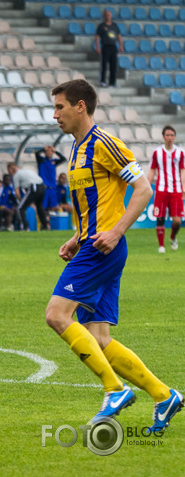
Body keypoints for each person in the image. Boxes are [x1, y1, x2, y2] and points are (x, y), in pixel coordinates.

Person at [45, 79, 182, 431]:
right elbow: (98, 203)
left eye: (60, 106)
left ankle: (114, 390)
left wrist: (117, 230)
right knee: (99, 337)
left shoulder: (104, 143)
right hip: (93, 243)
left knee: (57, 315)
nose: (54, 114)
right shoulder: (76, 149)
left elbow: (143, 188)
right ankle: (164, 395)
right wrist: (77, 236)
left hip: (103, 248)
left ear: (80, 106)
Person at [147, 125, 185, 253]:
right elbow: (152, 170)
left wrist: (184, 187)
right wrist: (148, 185)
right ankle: (161, 246)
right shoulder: (157, 152)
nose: (170, 138)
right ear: (163, 137)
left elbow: (182, 171)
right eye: (167, 135)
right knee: (160, 217)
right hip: (161, 190)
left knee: (177, 220)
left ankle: (173, 237)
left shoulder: (180, 152)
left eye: (172, 135)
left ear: (175, 137)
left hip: (176, 190)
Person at [8, 162, 48, 231]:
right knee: (39, 206)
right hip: (42, 187)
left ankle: (25, 226)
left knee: (20, 207)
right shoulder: (27, 170)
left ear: (12, 169)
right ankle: (44, 225)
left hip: (34, 187)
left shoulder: (16, 175)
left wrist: (20, 201)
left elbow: (17, 192)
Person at [35, 145, 67, 214]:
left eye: (50, 151)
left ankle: (51, 221)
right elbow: (37, 154)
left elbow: (64, 159)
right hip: (44, 188)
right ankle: (43, 222)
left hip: (52, 188)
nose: (49, 152)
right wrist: (43, 149)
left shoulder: (54, 162)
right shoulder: (41, 160)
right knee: (43, 207)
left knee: (54, 207)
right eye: (47, 151)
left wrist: (55, 151)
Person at [94, 9, 123, 88]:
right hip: (105, 46)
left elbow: (118, 36)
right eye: (106, 15)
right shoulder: (101, 26)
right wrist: (97, 47)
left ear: (111, 16)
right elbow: (97, 37)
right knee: (104, 65)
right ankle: (103, 81)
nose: (108, 16)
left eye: (109, 15)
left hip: (113, 46)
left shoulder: (114, 26)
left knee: (113, 65)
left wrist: (121, 45)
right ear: (104, 16)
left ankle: (112, 82)